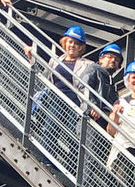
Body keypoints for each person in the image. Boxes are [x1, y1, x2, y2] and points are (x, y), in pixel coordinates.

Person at [31, 25, 106, 162]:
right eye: (70, 42)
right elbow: (45, 78)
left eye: (76, 43)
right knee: (50, 128)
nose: (72, 45)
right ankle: (48, 161)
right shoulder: (55, 60)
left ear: (81, 47)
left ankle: (71, 165)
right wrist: (32, 57)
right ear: (65, 42)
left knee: (73, 134)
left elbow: (92, 88)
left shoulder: (88, 64)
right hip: (56, 98)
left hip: (75, 100)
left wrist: (95, 106)